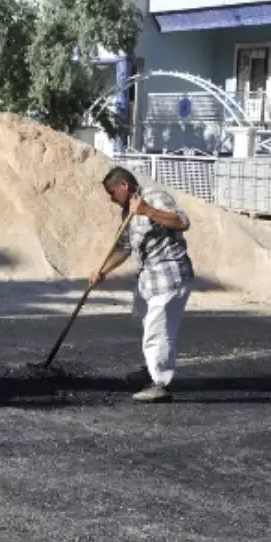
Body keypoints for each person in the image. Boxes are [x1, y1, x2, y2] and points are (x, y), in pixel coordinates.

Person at [90, 167, 193, 403]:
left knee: (158, 331)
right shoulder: (127, 212)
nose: (111, 198)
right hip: (148, 280)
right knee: (144, 324)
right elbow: (124, 247)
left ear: (124, 186)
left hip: (169, 276)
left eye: (112, 192)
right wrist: (102, 271)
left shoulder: (155, 198)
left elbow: (182, 222)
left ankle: (160, 383)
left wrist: (148, 211)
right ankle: (151, 368)